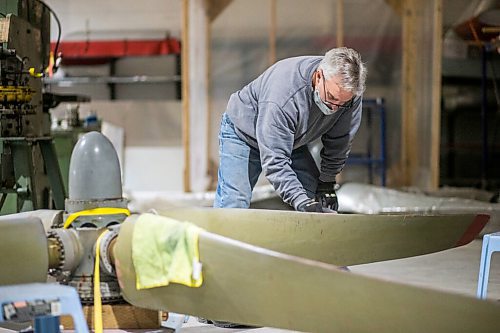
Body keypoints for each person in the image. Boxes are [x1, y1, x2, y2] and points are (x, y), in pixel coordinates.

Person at [214, 47, 366, 215]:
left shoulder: (349, 95)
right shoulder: (284, 94)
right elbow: (275, 161)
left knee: (313, 197)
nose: (335, 107)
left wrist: (327, 182)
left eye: (342, 103)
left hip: (292, 140)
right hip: (243, 134)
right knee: (234, 203)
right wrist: (300, 202)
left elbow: (340, 141)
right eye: (331, 97)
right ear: (318, 76)